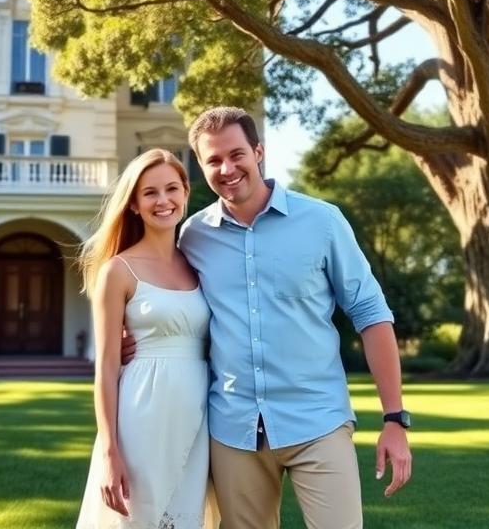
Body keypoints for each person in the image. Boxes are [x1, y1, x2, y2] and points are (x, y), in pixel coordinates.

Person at [124, 106, 412, 529]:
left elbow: (371, 314)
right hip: (234, 429)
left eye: (236, 154)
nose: (227, 168)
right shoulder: (193, 236)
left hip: (319, 421)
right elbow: (168, 298)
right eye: (213, 160)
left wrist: (394, 419)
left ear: (258, 152)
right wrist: (132, 335)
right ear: (200, 168)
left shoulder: (323, 221)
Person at [76, 148, 218, 529]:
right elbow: (105, 368)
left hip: (197, 412)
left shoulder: (198, 262)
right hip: (141, 413)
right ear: (134, 205)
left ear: (186, 193)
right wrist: (110, 452)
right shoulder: (117, 271)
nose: (163, 200)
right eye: (150, 193)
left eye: (172, 188)